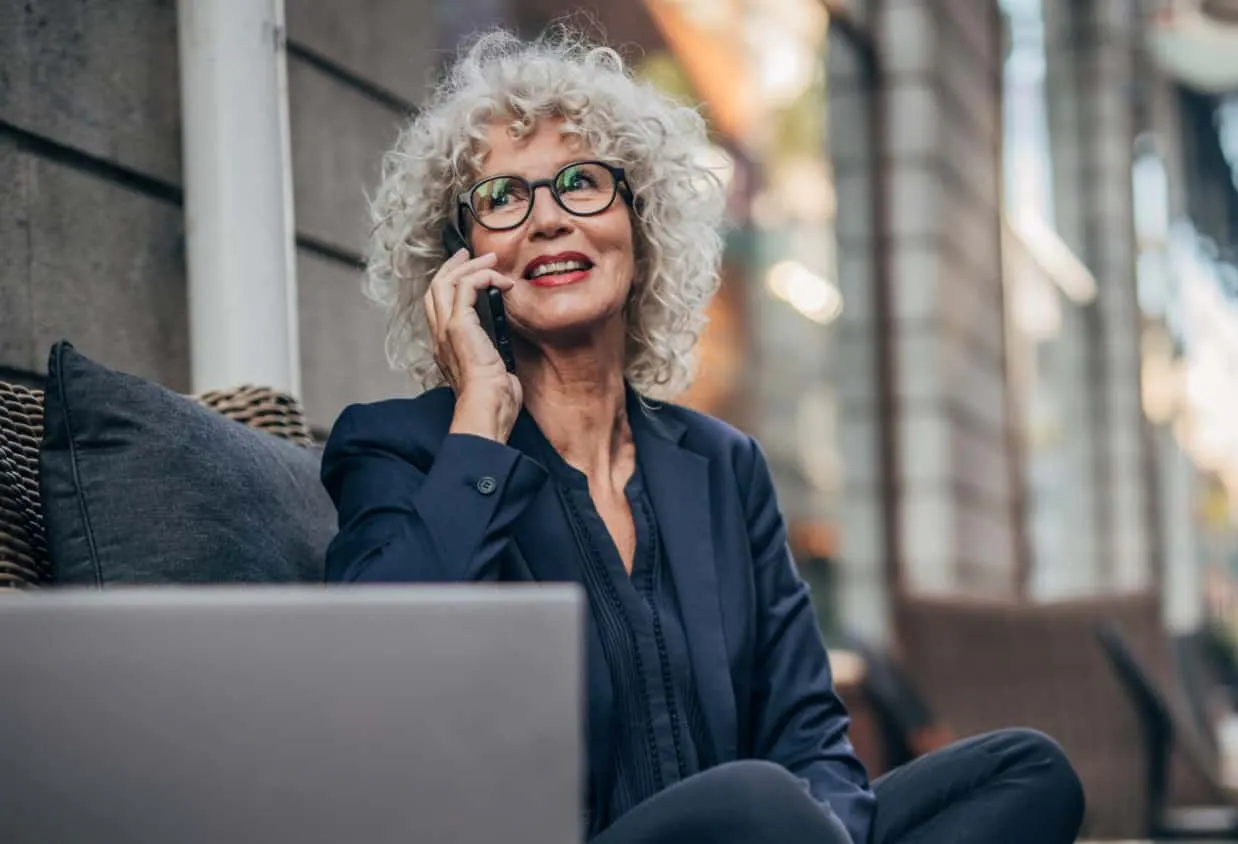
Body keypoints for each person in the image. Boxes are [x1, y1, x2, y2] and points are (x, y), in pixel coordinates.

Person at [322, 25, 1085, 844]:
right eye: (503, 198)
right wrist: (478, 420)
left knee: (1025, 771)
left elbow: (811, 741)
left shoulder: (724, 467)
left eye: (582, 183)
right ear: (459, 262)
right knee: (757, 802)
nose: (545, 219)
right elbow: (376, 686)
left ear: (640, 234)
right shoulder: (400, 450)